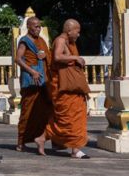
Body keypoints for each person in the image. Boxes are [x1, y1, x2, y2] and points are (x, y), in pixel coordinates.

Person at [34, 19, 89, 158]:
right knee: (68, 118)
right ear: (69, 30)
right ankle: (75, 150)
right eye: (77, 31)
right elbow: (57, 57)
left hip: (71, 87)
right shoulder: (60, 40)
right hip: (63, 87)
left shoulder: (70, 43)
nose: (78, 35)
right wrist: (75, 58)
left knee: (68, 118)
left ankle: (42, 139)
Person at [15, 17, 52, 152]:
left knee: (43, 111)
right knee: (27, 112)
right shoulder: (24, 41)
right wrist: (32, 72)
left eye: (39, 27)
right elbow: (18, 59)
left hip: (42, 81)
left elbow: (48, 56)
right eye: (35, 26)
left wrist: (45, 56)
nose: (38, 29)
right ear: (29, 27)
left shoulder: (40, 41)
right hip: (31, 81)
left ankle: (39, 138)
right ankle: (20, 142)